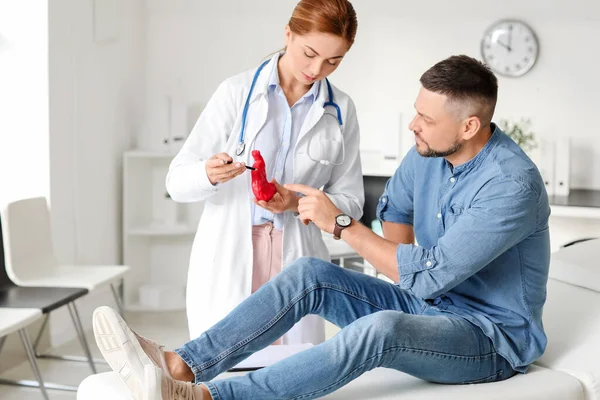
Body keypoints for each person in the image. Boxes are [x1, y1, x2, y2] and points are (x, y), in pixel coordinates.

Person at [93, 54, 551, 399]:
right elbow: (397, 208)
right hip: (428, 306)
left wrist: (343, 224)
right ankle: (182, 366)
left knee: (383, 329)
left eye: (427, 120)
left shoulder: (511, 185)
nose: (413, 125)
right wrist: (402, 278)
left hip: (487, 338)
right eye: (417, 111)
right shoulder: (428, 151)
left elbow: (432, 273)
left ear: (470, 125)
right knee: (308, 274)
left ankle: (210, 397)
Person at [165, 0, 364, 345]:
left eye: (334, 61)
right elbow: (177, 182)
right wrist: (208, 174)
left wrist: (295, 202)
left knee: (290, 373)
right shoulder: (236, 93)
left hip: (297, 254)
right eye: (310, 53)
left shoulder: (340, 109)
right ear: (288, 34)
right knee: (224, 364)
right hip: (234, 250)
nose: (317, 69)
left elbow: (351, 203)